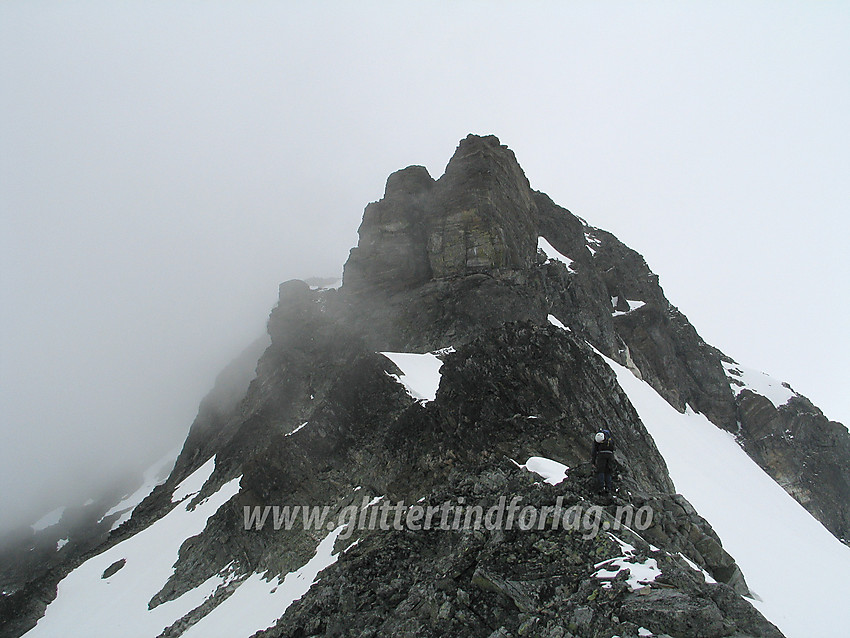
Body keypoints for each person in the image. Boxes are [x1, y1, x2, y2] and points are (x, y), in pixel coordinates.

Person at [592, 429, 615, 493]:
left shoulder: (597, 438)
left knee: (601, 471)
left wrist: (593, 461)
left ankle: (601, 487)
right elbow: (613, 447)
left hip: (601, 455)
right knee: (608, 471)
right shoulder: (609, 438)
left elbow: (594, 450)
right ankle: (608, 488)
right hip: (610, 455)